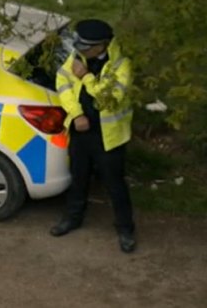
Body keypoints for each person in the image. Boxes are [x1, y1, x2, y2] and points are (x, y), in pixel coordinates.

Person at [50, 19, 136, 253]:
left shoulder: (121, 66)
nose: (81, 51)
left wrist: (87, 76)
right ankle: (73, 219)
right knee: (78, 178)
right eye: (79, 46)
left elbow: (110, 98)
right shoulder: (78, 58)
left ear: (103, 45)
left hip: (108, 136)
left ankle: (125, 228)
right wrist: (76, 114)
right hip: (80, 131)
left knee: (114, 184)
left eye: (86, 47)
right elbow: (63, 82)